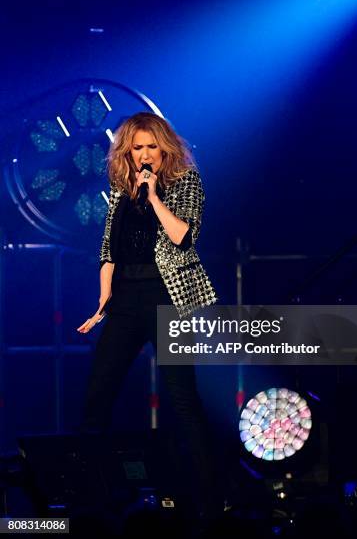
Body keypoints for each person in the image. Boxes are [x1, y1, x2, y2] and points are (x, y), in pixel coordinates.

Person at [76, 112, 220, 522]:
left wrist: (154, 196)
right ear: (127, 151)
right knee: (96, 398)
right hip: (124, 302)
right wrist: (103, 302)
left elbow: (182, 236)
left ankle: (209, 507)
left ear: (164, 149)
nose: (144, 156)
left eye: (150, 147)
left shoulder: (185, 183)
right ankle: (89, 502)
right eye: (136, 148)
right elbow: (108, 248)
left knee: (182, 401)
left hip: (168, 299)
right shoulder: (121, 190)